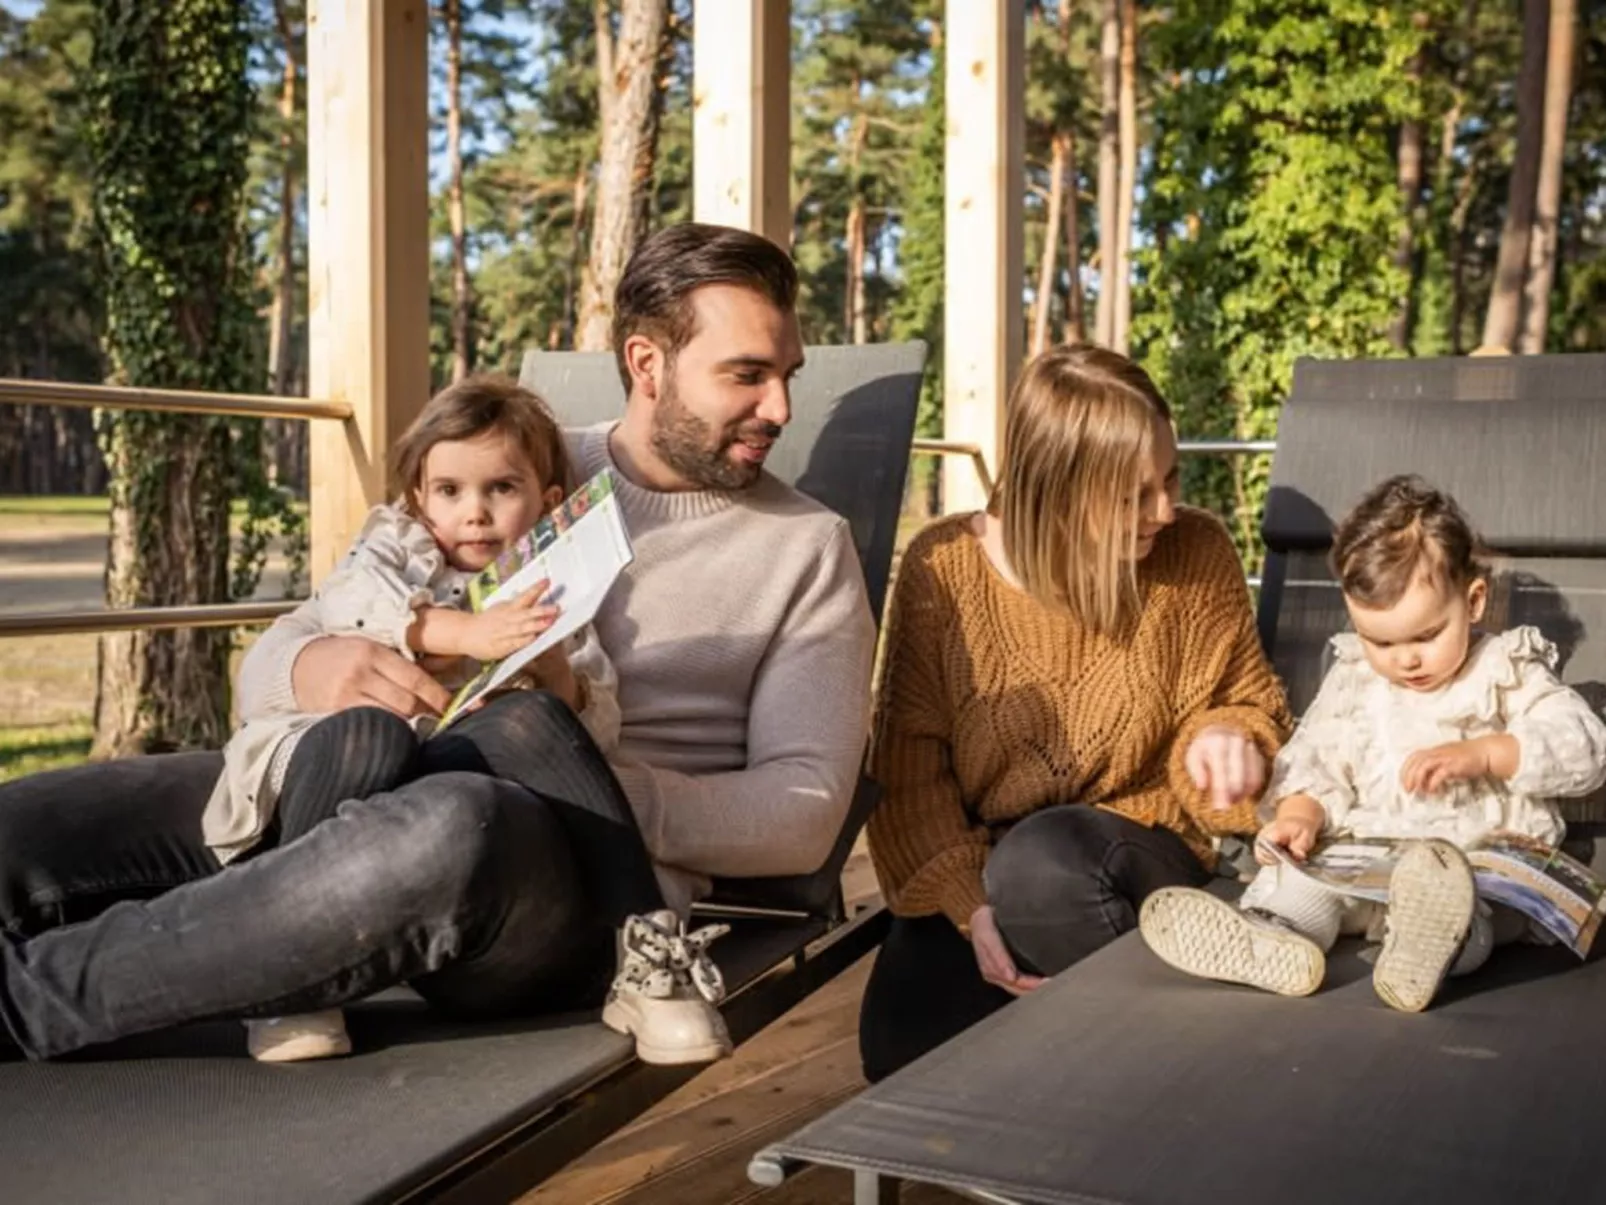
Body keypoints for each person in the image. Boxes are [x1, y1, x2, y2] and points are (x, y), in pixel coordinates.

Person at [0, 222, 875, 1066]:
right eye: (748, 375)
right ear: (647, 363)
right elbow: (296, 640)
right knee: (30, 826)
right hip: (364, 767)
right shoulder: (505, 464)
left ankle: (32, 999)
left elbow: (801, 816)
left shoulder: (806, 547)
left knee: (450, 822)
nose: (781, 407)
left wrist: (573, 786)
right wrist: (315, 663)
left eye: (787, 374)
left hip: (553, 877)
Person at [858, 344, 1292, 1083]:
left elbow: (1243, 704)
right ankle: (1118, 1055)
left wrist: (1227, 740)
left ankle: (1167, 1085)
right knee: (902, 1043)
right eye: (1131, 495)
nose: (1164, 510)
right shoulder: (943, 570)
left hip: (1138, 857)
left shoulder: (1196, 550)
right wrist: (970, 907)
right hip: (992, 874)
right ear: (1052, 489)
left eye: (1171, 478)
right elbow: (911, 774)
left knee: (1045, 861)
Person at [210, 374, 622, 1062]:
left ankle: (638, 938)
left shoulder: (552, 594)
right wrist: (460, 633)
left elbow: (603, 735)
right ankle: (290, 974)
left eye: (502, 488)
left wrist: (550, 671)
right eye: (450, 491)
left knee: (525, 729)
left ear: (549, 504)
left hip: (456, 818)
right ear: (419, 502)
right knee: (361, 738)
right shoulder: (398, 551)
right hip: (346, 771)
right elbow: (350, 600)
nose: (476, 514)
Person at [1141, 476, 1606, 1012]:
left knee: (1468, 912)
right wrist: (1300, 815)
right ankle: (1272, 938)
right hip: (1364, 862)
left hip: (1469, 865)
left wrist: (1486, 753)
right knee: (1304, 885)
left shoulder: (1506, 671)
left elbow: (1584, 749)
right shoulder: (1358, 677)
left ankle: (1426, 951)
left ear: (1474, 601)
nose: (1404, 659)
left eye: (1426, 636)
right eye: (1380, 640)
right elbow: (1319, 758)